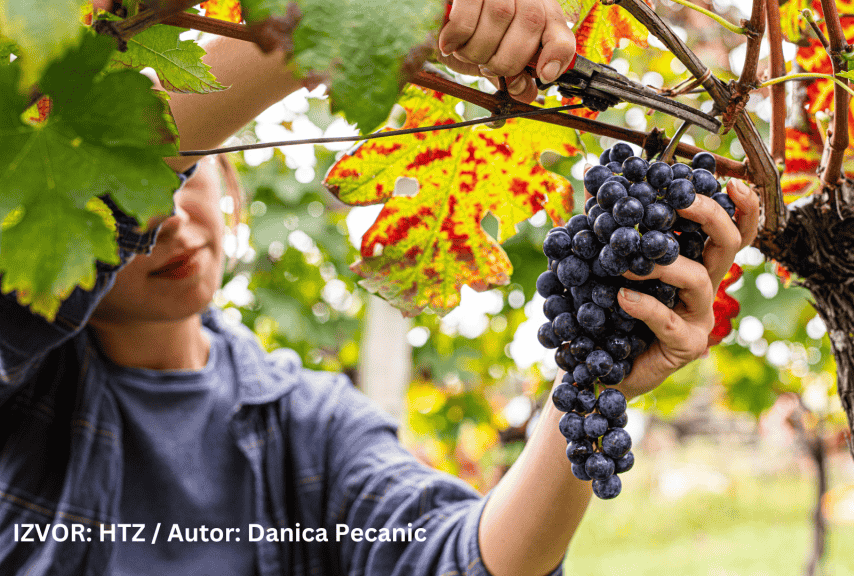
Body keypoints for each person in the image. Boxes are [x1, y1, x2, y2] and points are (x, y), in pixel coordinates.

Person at [0, 1, 760, 575]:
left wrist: (598, 375)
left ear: (228, 185)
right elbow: (94, 189)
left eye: (184, 179)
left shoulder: (307, 422)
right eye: (150, 192)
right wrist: (349, 17)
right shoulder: (22, 394)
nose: (164, 222)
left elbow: (465, 560)